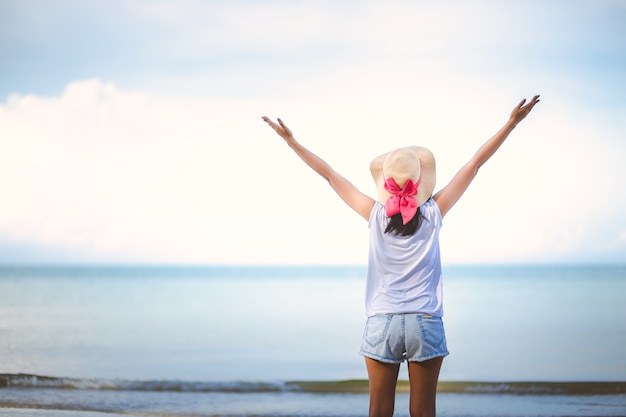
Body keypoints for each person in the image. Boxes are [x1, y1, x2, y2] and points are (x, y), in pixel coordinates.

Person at [262, 95, 540, 417]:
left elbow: (329, 174)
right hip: (426, 319)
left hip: (382, 320)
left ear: (386, 183)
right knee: (424, 412)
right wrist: (510, 124)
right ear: (420, 183)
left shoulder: (374, 214)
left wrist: (291, 141)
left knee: (379, 411)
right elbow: (475, 164)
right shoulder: (435, 211)